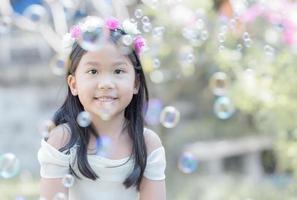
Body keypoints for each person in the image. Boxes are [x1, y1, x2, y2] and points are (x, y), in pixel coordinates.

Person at [37, 16, 166, 200]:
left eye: (118, 71)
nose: (106, 83)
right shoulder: (63, 140)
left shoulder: (147, 143)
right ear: (74, 85)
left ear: (136, 83)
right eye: (93, 71)